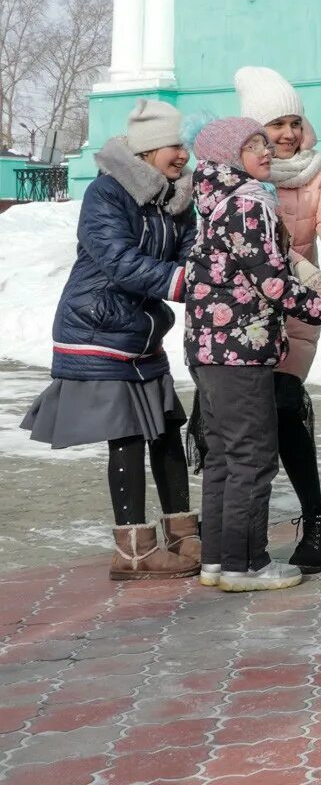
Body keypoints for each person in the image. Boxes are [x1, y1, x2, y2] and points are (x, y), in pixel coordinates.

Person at [24, 101, 200, 581]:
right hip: (98, 327)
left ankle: (184, 537)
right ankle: (134, 550)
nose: (183, 155)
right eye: (174, 145)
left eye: (184, 145)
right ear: (146, 149)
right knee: (127, 436)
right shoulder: (107, 193)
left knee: (165, 430)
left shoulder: (175, 200)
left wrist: (210, 277)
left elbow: (190, 255)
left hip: (142, 332)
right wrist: (185, 284)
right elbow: (117, 260)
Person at [185, 117, 321, 593]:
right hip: (240, 349)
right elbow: (271, 280)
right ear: (230, 156)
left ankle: (217, 560)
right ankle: (246, 563)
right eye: (254, 146)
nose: (267, 152)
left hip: (210, 348)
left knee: (225, 456)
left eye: (266, 144)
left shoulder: (213, 201)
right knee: (252, 456)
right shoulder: (249, 203)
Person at [233, 66, 321, 573]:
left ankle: (316, 517)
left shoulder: (318, 170)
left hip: (299, 305)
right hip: (241, 312)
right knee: (238, 420)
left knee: (286, 405)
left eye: (294, 122)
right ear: (254, 129)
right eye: (277, 124)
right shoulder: (235, 175)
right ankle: (234, 525)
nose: (289, 134)